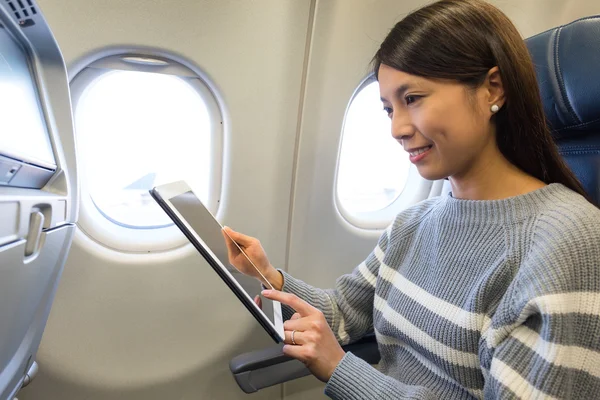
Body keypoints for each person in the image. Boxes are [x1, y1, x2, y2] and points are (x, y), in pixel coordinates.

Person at [223, 0, 600, 398]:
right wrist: (267, 273)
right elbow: (342, 314)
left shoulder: (567, 242)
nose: (398, 128)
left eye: (413, 98)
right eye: (388, 109)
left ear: (494, 88)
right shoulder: (414, 222)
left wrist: (340, 368)